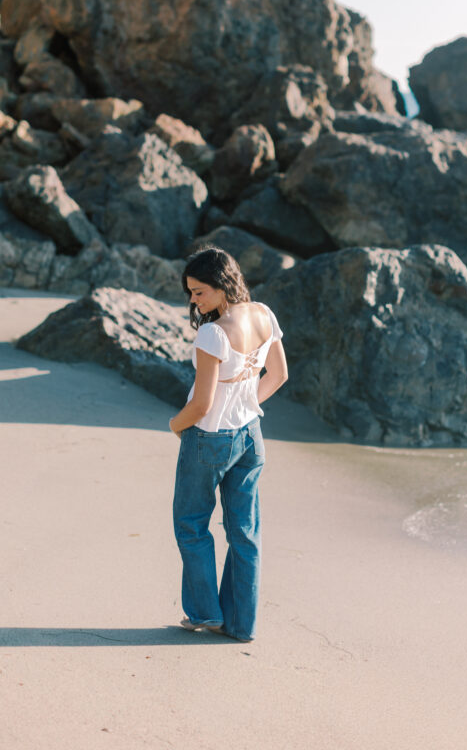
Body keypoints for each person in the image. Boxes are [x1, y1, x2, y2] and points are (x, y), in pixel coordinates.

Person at [169, 246, 288, 642]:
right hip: (250, 436)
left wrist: (174, 424)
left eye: (200, 292)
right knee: (244, 530)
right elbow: (279, 375)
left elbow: (201, 404)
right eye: (190, 293)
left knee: (190, 525)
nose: (193, 300)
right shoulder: (263, 315)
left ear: (221, 286)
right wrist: (249, 404)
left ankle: (205, 613)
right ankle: (241, 624)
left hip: (208, 437)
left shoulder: (213, 332)